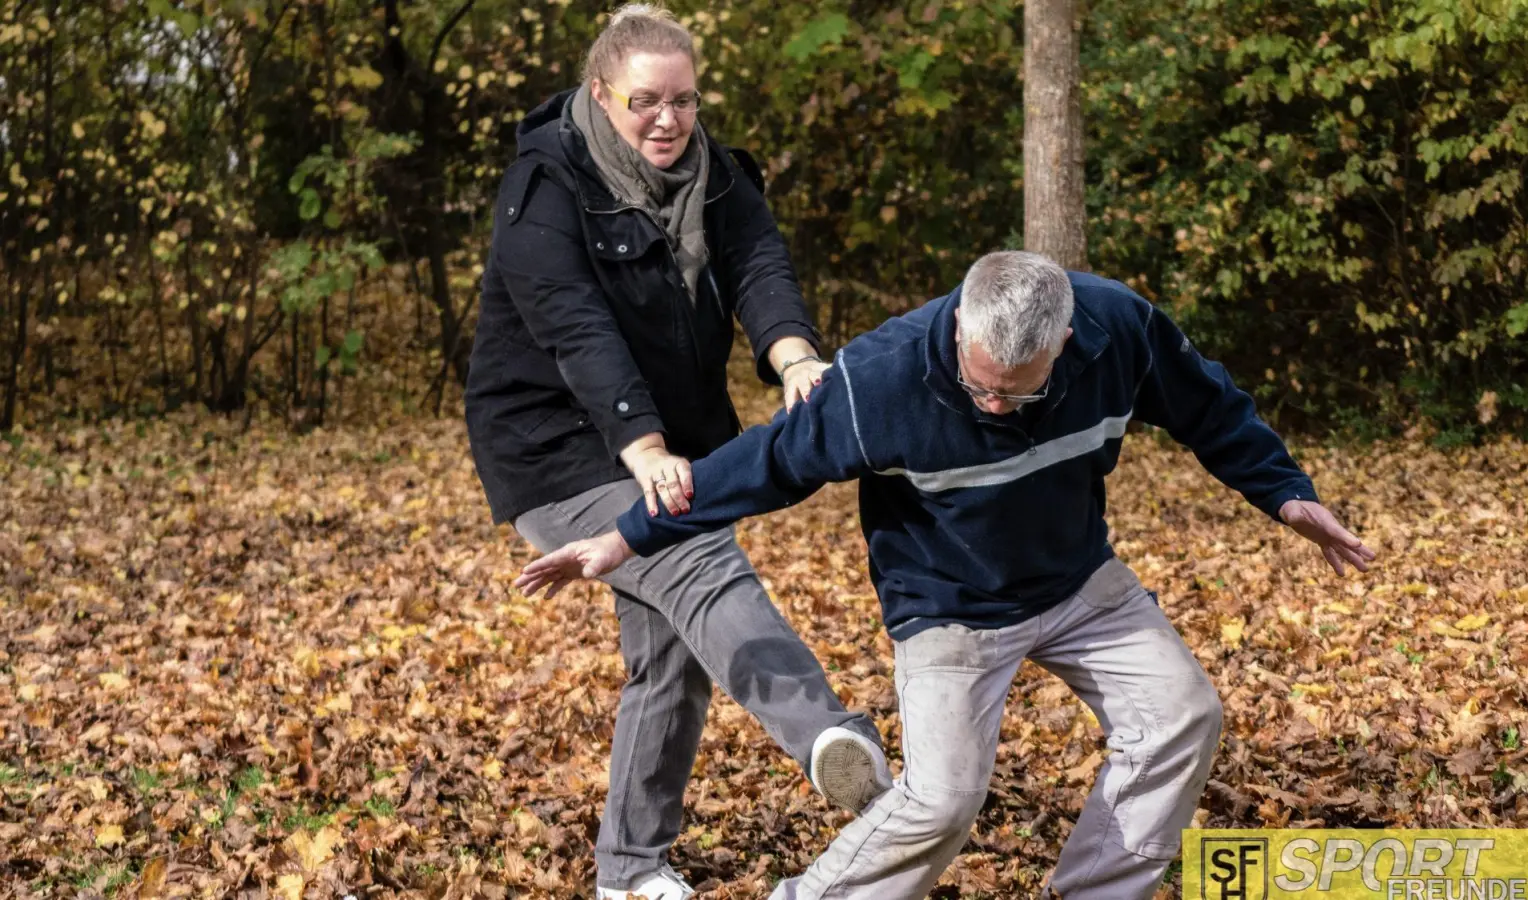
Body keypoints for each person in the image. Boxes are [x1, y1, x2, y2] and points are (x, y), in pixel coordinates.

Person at [514, 250, 1378, 900]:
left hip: (1079, 582)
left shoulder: (1121, 331)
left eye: (1018, 391)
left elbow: (1210, 405)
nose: (994, 406)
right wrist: (627, 538)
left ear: (1066, 343)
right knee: (944, 798)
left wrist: (1284, 495)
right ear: (961, 326)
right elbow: (761, 465)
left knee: (1183, 716)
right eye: (982, 385)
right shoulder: (878, 380)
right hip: (950, 607)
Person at [464, 6, 890, 898]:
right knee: (694, 557)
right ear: (599, 94)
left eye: (685, 101)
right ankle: (834, 743)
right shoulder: (544, 185)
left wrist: (796, 359)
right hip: (554, 443)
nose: (669, 120)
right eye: (645, 101)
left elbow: (760, 267)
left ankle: (627, 870)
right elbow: (576, 330)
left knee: (668, 655)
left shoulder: (716, 177)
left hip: (663, 435)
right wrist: (648, 450)